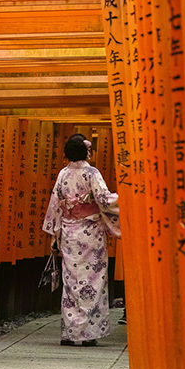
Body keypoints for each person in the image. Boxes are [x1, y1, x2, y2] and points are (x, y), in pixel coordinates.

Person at [42, 134, 121, 347]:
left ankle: (69, 333)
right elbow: (104, 199)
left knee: (71, 281)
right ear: (87, 151)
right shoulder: (91, 173)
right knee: (93, 281)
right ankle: (88, 333)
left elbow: (56, 204)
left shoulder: (63, 174)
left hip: (69, 232)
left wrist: (55, 233)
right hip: (91, 232)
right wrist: (125, 199)